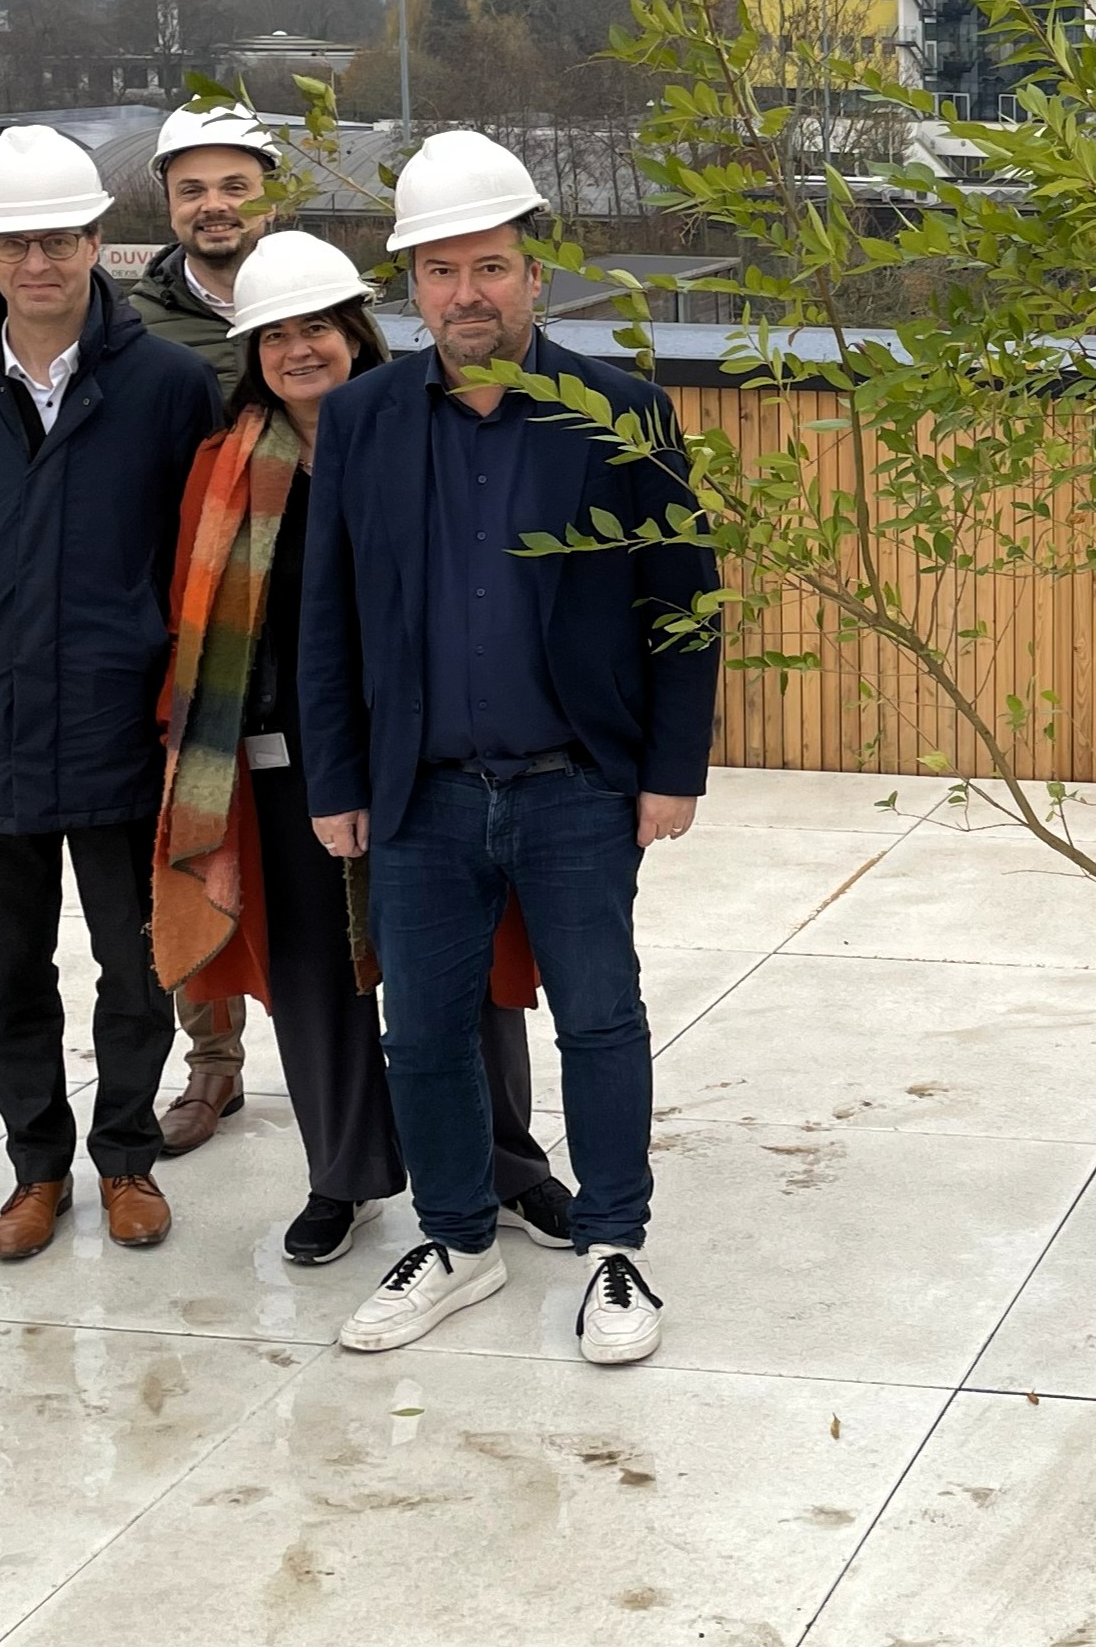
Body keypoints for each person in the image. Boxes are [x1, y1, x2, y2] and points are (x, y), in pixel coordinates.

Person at [300, 130, 718, 1366]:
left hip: (576, 785)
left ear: (532, 274)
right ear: (409, 288)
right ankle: (457, 1241)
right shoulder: (365, 421)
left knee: (599, 1017)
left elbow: (683, 600)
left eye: (488, 266)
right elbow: (326, 614)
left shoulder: (619, 411)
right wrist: (336, 780)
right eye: (439, 272)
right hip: (418, 795)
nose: (466, 293)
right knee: (421, 1030)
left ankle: (614, 1248)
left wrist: (670, 768)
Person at [147, 232, 574, 1267]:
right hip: (279, 761)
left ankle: (505, 1165)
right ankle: (343, 1175)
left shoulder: (426, 432)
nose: (299, 350)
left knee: (461, 970)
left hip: (427, 757)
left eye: (319, 328)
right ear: (251, 353)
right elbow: (193, 616)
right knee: (313, 980)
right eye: (275, 335)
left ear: (356, 332)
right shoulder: (224, 465)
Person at [0, 124, 223, 1260]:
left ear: (98, 241)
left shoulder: (171, 386)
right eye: (14, 240)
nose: (39, 261)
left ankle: (123, 1156)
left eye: (61, 237)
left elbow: (194, 550)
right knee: (10, 970)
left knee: (134, 962)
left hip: (118, 720)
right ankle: (36, 1170)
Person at [124, 101, 286, 1158]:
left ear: (266, 192)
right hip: (186, 626)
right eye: (192, 189)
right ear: (167, 201)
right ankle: (212, 1062)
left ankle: (344, 1052)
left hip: (301, 619)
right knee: (193, 838)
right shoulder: (131, 329)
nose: (213, 206)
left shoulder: (319, 301)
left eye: (233, 185)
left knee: (329, 846)